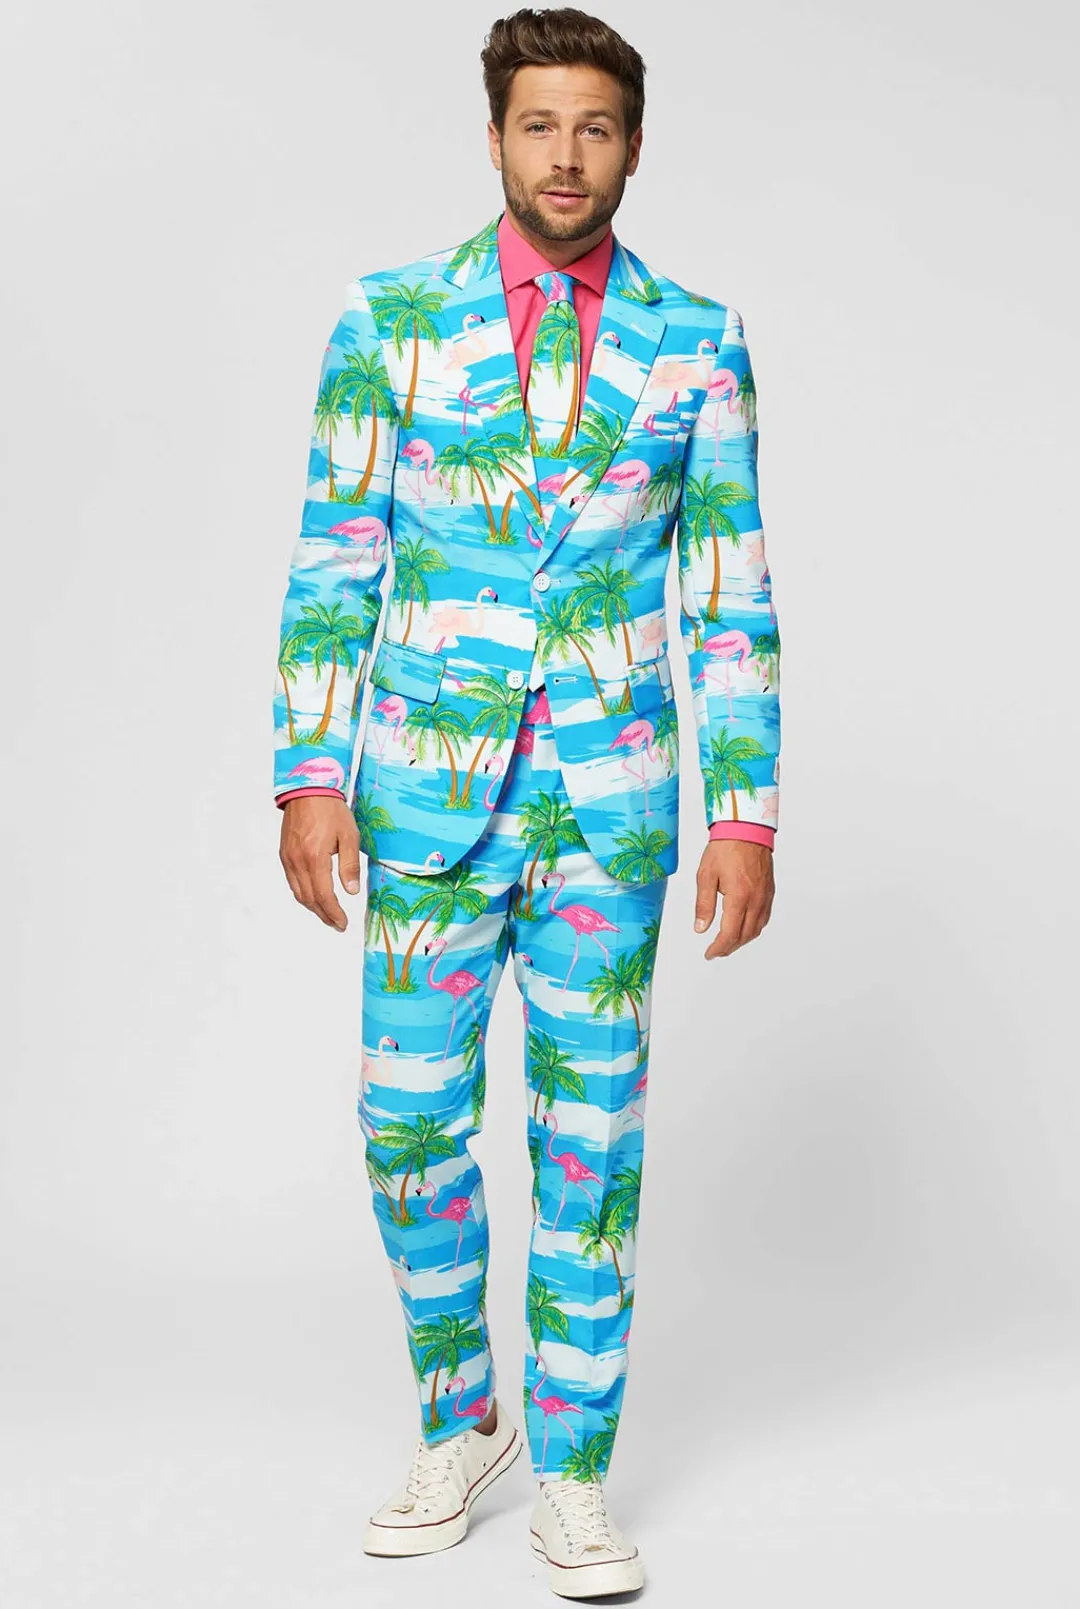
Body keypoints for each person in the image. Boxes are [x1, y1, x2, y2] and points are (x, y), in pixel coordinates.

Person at [272, 7, 779, 1596]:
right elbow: (336, 561)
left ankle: (572, 1471)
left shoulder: (698, 340)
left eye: (597, 127)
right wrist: (307, 771)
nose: (568, 156)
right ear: (493, 137)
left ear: (635, 145)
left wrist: (746, 815)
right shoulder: (390, 321)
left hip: (608, 810)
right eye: (541, 125)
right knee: (406, 1122)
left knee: (591, 1143)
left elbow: (729, 594)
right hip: (424, 798)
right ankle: (463, 1419)